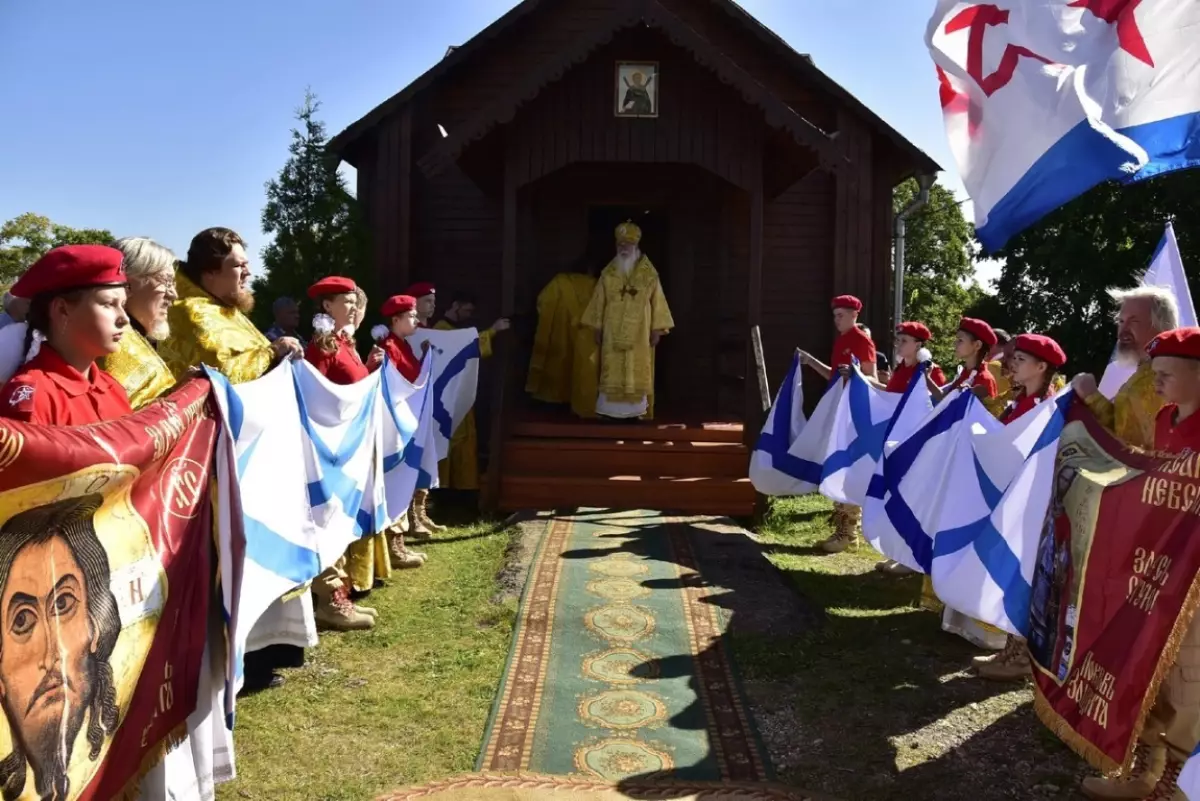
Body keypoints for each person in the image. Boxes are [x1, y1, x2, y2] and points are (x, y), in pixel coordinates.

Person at [158, 227, 306, 692]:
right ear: (208, 272)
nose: (247, 271)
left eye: (245, 263)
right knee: (233, 554)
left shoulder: (228, 309)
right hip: (216, 460)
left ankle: (270, 651)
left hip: (256, 455)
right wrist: (275, 351)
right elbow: (221, 370)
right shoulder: (190, 313)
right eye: (237, 266)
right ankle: (236, 662)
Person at [0, 494, 121, 801]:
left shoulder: (124, 761)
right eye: (23, 620)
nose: (52, 654)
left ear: (94, 626)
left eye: (64, 603)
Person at [973, 333, 1067, 683]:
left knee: (1024, 575)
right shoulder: (1021, 401)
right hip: (1011, 496)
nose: (1012, 364)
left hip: (1031, 504)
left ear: (1042, 367)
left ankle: (1020, 656)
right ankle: (1010, 648)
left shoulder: (1047, 407)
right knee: (1013, 574)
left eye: (1021, 360)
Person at [303, 276, 391, 632]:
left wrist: (368, 367)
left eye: (356, 302)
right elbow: (316, 393)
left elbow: (348, 387)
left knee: (341, 519)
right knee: (328, 520)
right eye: (346, 301)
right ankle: (329, 601)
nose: (354, 308)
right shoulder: (322, 345)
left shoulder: (345, 343)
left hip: (347, 446)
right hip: (328, 448)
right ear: (327, 306)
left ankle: (339, 594)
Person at [0, 245, 133, 425]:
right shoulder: (33, 398)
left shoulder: (113, 388)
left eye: (123, 305)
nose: (124, 318)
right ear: (62, 309)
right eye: (108, 304)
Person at [797, 294, 876, 553]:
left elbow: (871, 377)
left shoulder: (861, 340)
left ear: (855, 315)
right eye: (834, 316)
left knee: (848, 469)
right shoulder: (842, 341)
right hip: (839, 411)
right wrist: (811, 363)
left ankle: (848, 532)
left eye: (841, 315)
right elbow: (833, 377)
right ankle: (842, 531)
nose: (836, 320)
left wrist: (855, 375)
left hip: (853, 414)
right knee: (836, 468)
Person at [580, 221, 674, 420]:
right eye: (620, 245)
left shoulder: (649, 273)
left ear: (636, 246)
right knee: (611, 368)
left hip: (640, 331)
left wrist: (657, 329)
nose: (623, 248)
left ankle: (637, 412)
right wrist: (597, 326)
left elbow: (658, 300)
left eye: (628, 245)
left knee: (637, 369)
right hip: (612, 330)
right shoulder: (608, 273)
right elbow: (599, 300)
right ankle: (609, 412)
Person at [873, 321, 945, 575]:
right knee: (896, 495)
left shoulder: (931, 372)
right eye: (898, 340)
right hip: (896, 443)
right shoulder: (901, 369)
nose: (898, 345)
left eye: (904, 340)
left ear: (919, 345)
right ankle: (898, 553)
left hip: (915, 447)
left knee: (911, 499)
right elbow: (892, 396)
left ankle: (910, 559)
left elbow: (937, 405)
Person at [1073, 286, 1179, 450]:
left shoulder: (1167, 375)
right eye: (1121, 321)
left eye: (1134, 321)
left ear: (1161, 326)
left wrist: (1092, 397)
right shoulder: (1145, 371)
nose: (1123, 329)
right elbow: (1123, 428)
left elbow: (1133, 447)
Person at [433, 291, 510, 491]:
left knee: (465, 441)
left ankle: (462, 490)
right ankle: (442, 490)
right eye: (466, 309)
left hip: (459, 394)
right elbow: (460, 351)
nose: (468, 314)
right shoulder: (440, 329)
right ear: (456, 305)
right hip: (445, 398)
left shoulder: (454, 328)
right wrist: (492, 330)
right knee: (451, 443)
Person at [379, 293, 436, 559]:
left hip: (407, 422)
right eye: (411, 316)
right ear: (396, 319)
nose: (416, 320)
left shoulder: (404, 345)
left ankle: (400, 539)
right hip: (395, 424)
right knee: (396, 480)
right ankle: (393, 543)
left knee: (405, 478)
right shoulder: (389, 346)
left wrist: (425, 357)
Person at [97, 237, 178, 408]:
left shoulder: (135, 335)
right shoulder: (111, 341)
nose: (174, 294)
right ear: (128, 285)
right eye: (167, 282)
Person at [526, 255, 600, 418]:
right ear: (590, 270)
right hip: (585, 334)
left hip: (558, 332)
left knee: (556, 366)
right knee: (581, 370)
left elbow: (542, 301)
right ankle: (581, 406)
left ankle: (553, 403)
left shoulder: (559, 282)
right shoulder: (595, 284)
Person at [929, 317, 999, 402]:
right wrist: (926, 377)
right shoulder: (965, 373)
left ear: (977, 345)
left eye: (960, 340)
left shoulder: (984, 380)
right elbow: (945, 401)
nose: (955, 344)